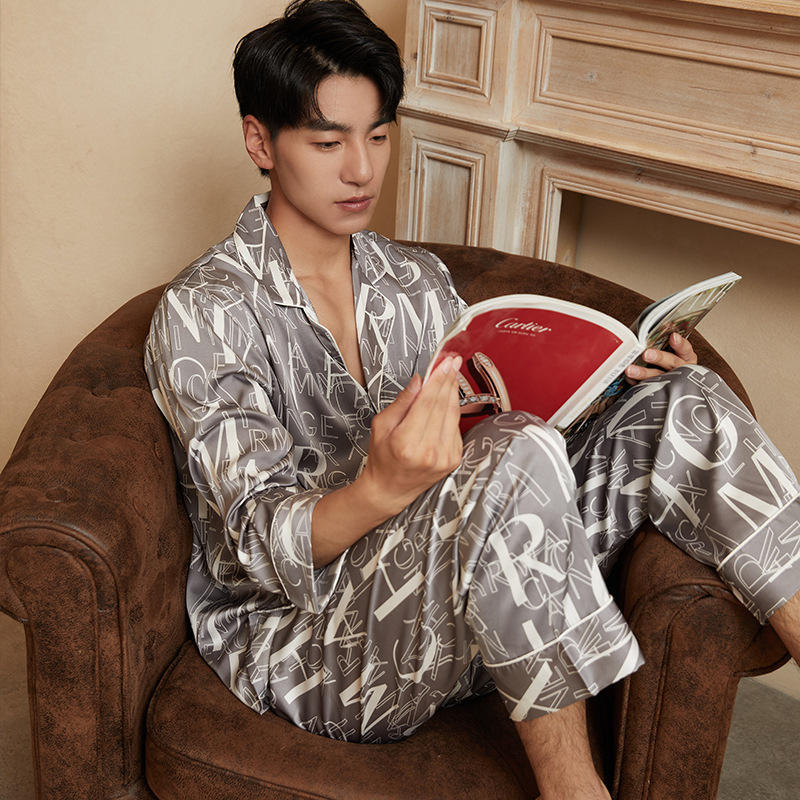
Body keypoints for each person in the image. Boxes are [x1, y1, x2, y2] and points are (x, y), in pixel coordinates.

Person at [143, 1, 800, 797]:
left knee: (683, 399)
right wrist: (381, 487)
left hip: (470, 595)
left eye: (379, 136)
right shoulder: (206, 311)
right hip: (311, 645)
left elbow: (503, 439)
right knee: (512, 454)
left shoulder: (416, 283)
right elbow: (255, 539)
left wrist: (610, 390)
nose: (362, 170)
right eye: (328, 142)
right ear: (260, 142)